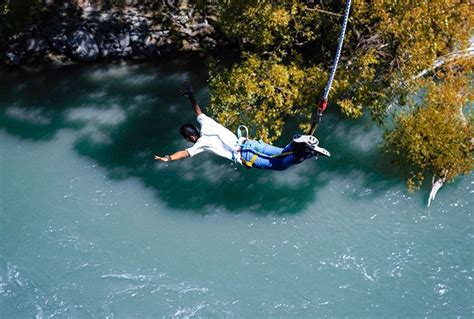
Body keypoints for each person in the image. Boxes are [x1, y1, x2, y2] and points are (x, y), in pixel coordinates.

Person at [154, 82, 330, 171]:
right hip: (249, 143)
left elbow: (185, 153)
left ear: (190, 138)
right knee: (281, 152)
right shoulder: (205, 123)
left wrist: (168, 158)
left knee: (279, 165)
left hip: (244, 154)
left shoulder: (201, 144)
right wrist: (190, 94)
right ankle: (302, 146)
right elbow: (197, 110)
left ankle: (305, 149)